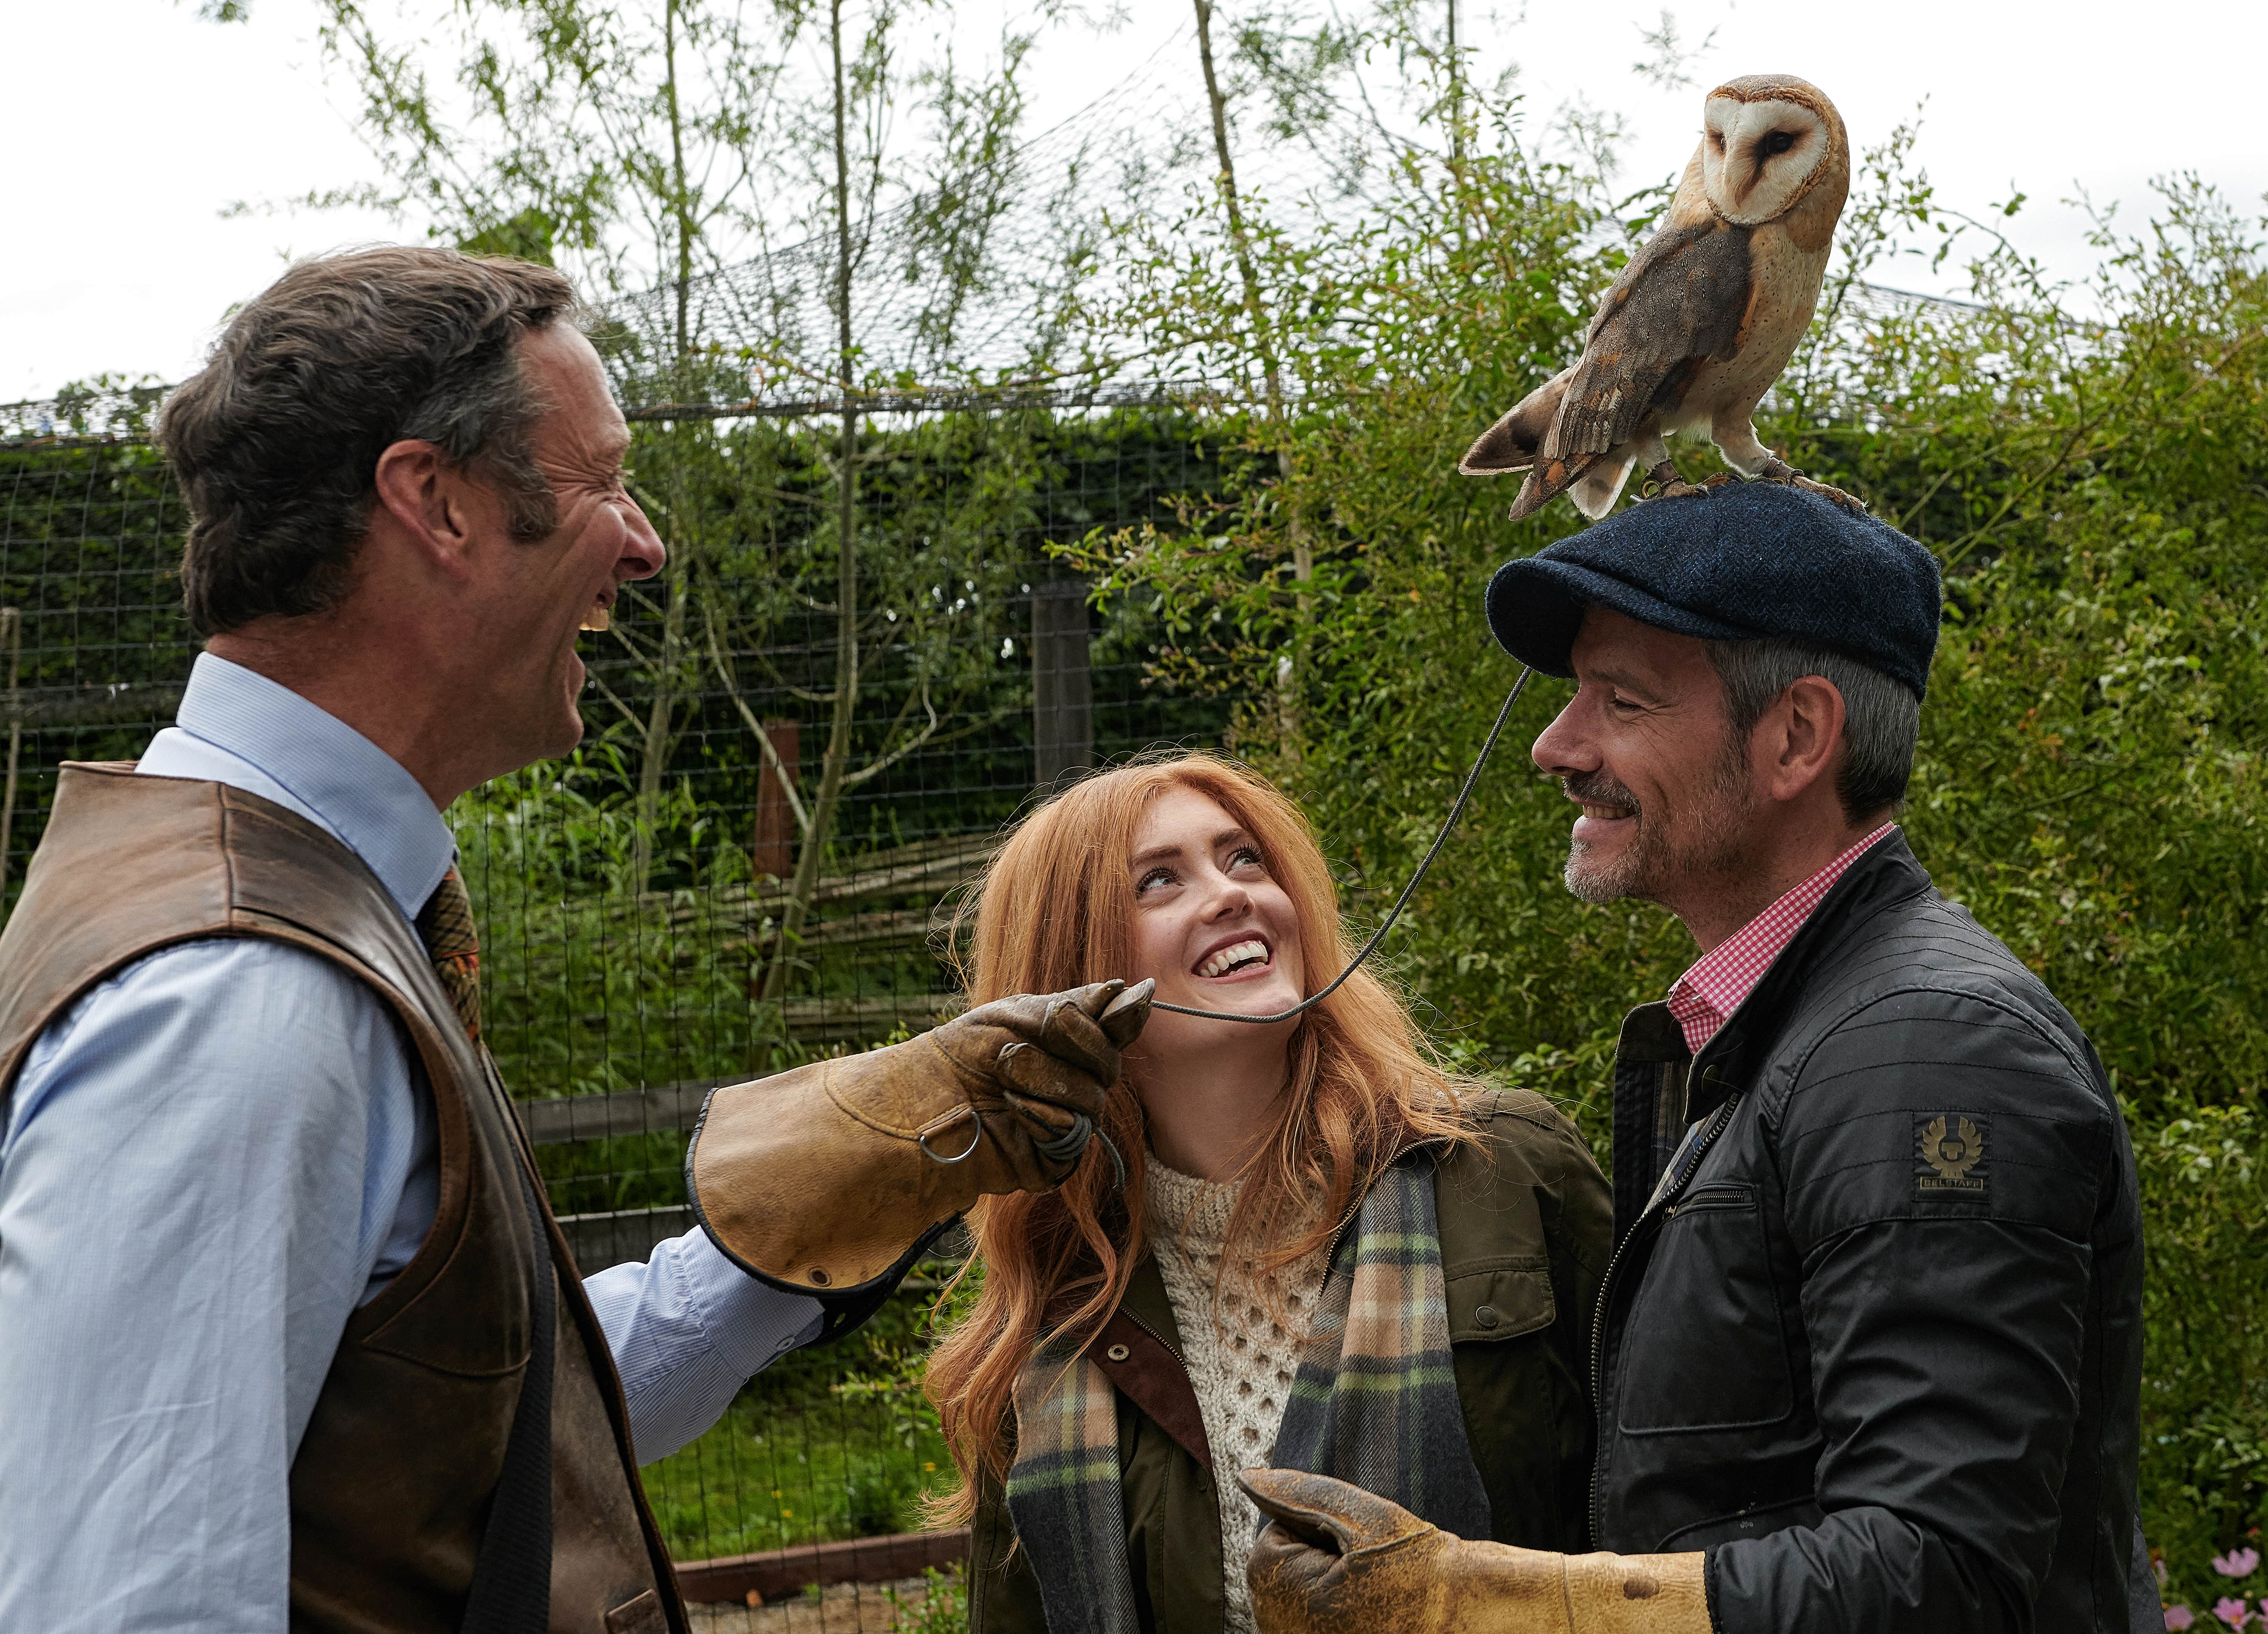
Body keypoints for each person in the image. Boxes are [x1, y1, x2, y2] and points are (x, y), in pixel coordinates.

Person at [0, 247, 1136, 1634]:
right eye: (603, 480)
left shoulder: (288, 904)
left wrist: (800, 1228)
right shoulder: (237, 1000)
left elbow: (450, 1431)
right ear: (437, 502)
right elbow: (128, 1604)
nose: (646, 542)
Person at [1238, 482, 2152, 1634]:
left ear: (1796, 737)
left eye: (1620, 699)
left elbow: (1942, 1572)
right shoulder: (1793, 1033)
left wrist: (1489, 1602)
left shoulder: (1925, 1050)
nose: (1555, 746)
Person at [826, 752, 1611, 1634]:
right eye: (1159, 881)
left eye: (1245, 858)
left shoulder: (1506, 1167)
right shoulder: (1055, 1323)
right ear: (1075, 980)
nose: (1234, 891)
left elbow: (1671, 1508)